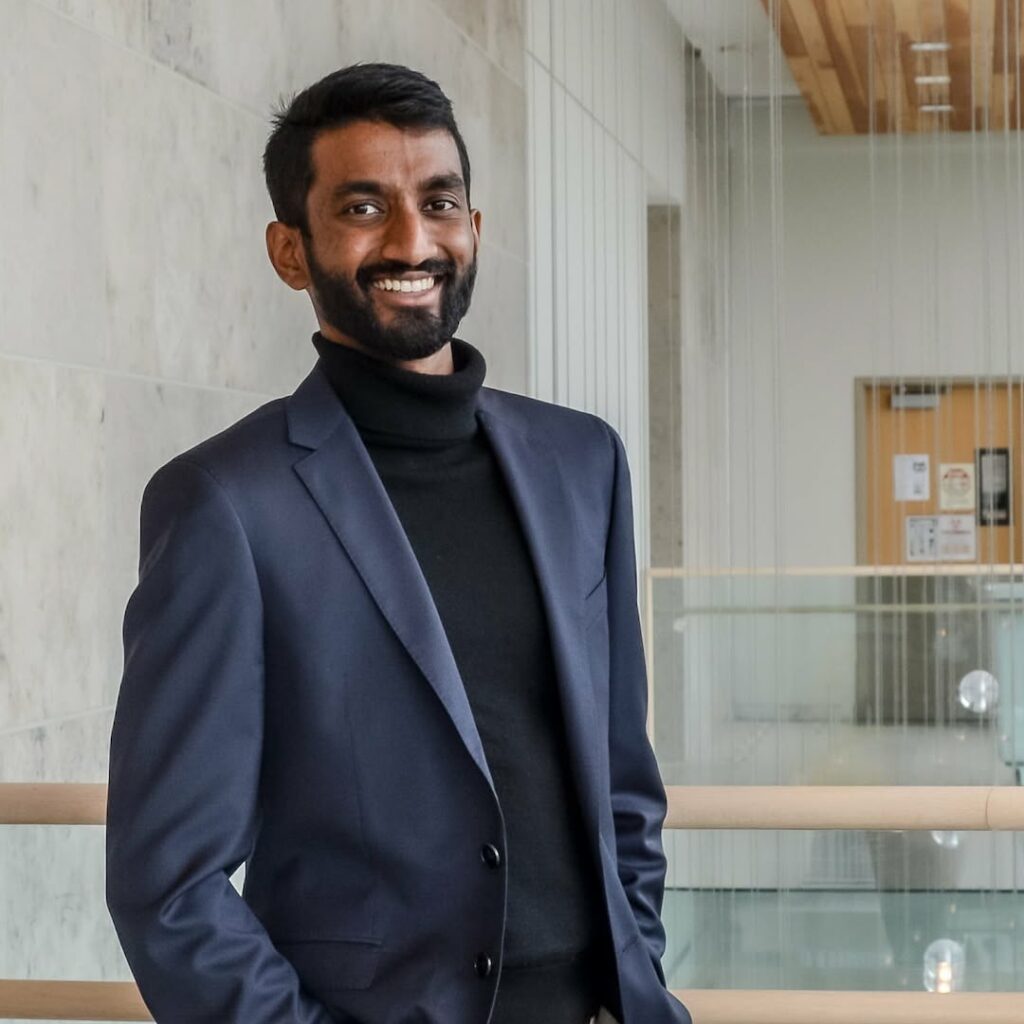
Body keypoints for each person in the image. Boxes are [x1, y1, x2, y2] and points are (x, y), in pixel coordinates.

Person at [105, 62, 690, 1024]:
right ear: (291, 251)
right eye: (365, 207)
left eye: (440, 202)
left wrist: (635, 968)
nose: (413, 240)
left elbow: (624, 780)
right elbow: (169, 885)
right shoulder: (224, 505)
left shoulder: (584, 463)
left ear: (475, 228)